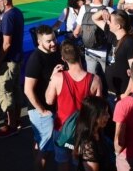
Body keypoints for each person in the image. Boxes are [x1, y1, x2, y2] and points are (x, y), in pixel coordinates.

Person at [46, 41, 103, 171]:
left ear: (63, 58)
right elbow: (99, 109)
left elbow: (49, 101)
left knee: (63, 163)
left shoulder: (57, 78)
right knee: (83, 164)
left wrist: (51, 78)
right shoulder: (95, 79)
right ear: (79, 55)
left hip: (62, 130)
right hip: (85, 130)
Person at [24, 25, 61, 171]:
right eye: (49, 41)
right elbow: (28, 89)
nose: (53, 43)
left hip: (47, 108)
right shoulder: (36, 59)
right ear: (39, 42)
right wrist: (42, 110)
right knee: (45, 150)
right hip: (41, 111)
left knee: (39, 144)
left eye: (54, 39)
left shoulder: (53, 52)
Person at [0, 0, 25, 137]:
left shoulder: (8, 17)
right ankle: (16, 120)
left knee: (5, 92)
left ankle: (10, 124)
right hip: (16, 58)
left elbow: (6, 43)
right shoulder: (17, 12)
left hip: (8, 61)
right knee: (15, 89)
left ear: (5, 2)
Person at [75, 95, 115, 171]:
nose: (109, 116)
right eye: (105, 114)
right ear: (94, 116)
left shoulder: (98, 131)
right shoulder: (88, 143)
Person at [106, 10, 133, 100]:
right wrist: (104, 12)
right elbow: (95, 19)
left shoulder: (129, 42)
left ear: (118, 26)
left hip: (122, 93)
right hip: (111, 92)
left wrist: (126, 94)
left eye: (110, 21)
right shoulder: (113, 36)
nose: (107, 22)